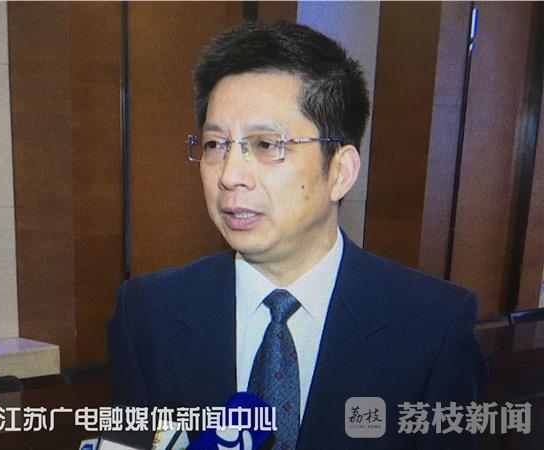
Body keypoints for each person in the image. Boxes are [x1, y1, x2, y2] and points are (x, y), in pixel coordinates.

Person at [108, 21, 489, 450]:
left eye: (266, 145)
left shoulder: (434, 328)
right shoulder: (147, 314)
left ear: (340, 171)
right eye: (215, 145)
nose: (230, 175)